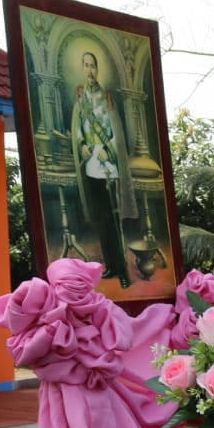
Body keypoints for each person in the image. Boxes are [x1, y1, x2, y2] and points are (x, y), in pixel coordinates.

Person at [70, 49, 137, 288]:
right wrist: (83, 146)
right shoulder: (80, 100)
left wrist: (106, 148)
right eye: (86, 65)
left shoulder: (107, 98)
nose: (89, 70)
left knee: (114, 219)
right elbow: (78, 130)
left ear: (97, 69)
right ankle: (112, 265)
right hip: (90, 164)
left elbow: (115, 131)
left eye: (93, 65)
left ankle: (124, 271)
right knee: (102, 220)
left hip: (107, 163)